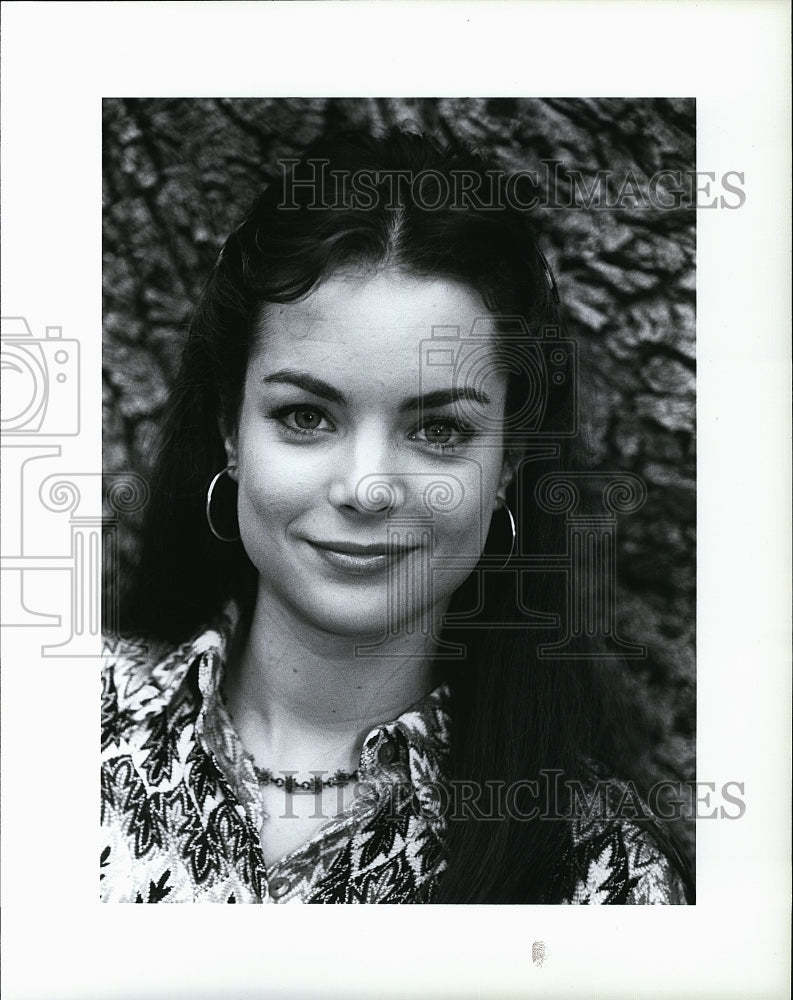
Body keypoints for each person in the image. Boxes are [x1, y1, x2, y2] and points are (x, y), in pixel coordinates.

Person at [101, 126, 693, 904]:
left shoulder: (604, 875)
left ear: (508, 465)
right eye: (307, 416)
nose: (367, 487)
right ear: (228, 429)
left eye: (438, 430)